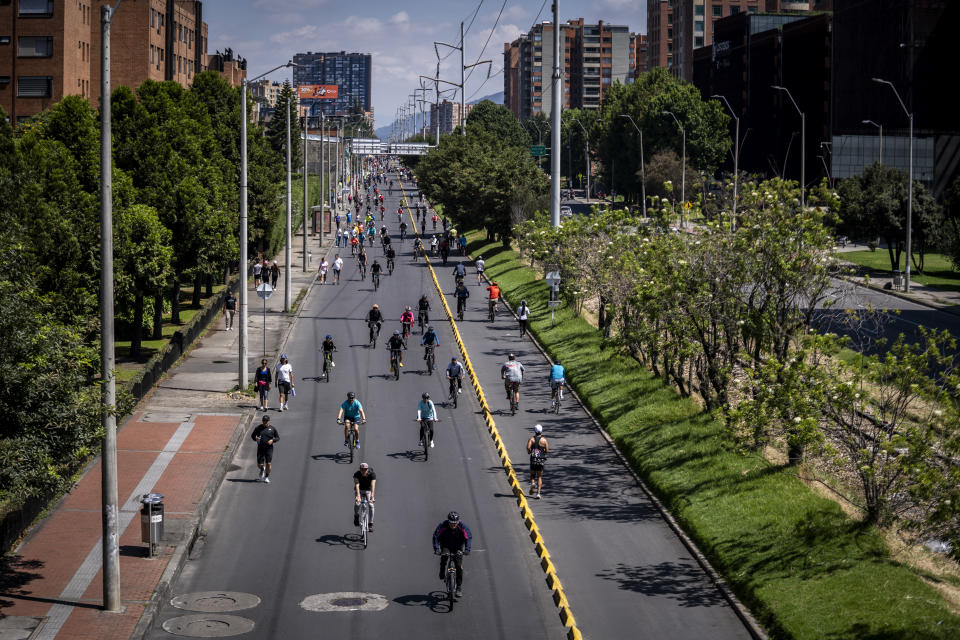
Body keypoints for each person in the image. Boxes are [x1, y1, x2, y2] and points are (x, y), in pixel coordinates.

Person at [433, 511, 472, 597]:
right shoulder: (443, 525)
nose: (453, 526)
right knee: (444, 556)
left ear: (458, 521)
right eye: (451, 523)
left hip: (458, 547)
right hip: (446, 545)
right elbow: (436, 536)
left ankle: (458, 587)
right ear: (448, 521)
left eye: (455, 523)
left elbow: (468, 537)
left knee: (459, 566)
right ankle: (442, 569)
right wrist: (437, 549)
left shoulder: (462, 526)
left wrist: (467, 550)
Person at [251, 415, 279, 483]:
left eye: (266, 421)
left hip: (269, 449)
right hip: (260, 448)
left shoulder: (272, 429)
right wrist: (256, 439)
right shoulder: (258, 428)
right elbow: (252, 436)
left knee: (268, 463)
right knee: (259, 464)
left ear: (269, 421)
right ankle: (262, 469)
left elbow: (278, 437)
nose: (265, 422)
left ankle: (266, 477)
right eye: (263, 421)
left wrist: (273, 440)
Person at [526, 424, 549, 499]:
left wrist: (530, 452)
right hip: (541, 460)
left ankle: (533, 483)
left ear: (535, 431)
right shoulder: (544, 440)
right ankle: (538, 493)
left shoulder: (532, 439)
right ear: (541, 431)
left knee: (532, 475)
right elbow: (547, 450)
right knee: (539, 476)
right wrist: (543, 452)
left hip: (533, 460)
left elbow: (528, 447)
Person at [353, 462, 377, 530]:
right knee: (357, 503)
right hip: (360, 490)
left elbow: (373, 485)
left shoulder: (372, 474)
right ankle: (356, 516)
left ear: (367, 469)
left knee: (371, 505)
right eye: (362, 469)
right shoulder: (356, 474)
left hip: (368, 490)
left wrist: (372, 496)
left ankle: (370, 524)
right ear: (360, 469)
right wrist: (358, 496)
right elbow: (357, 485)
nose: (363, 471)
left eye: (365, 469)